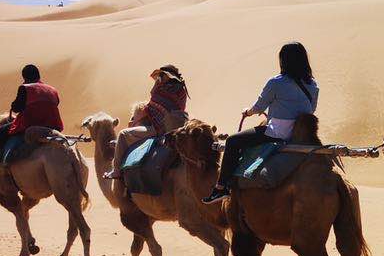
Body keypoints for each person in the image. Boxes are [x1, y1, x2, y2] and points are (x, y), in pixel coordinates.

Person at [203, 43, 318, 202]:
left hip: (277, 133)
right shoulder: (313, 85)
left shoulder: (276, 82)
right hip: (299, 134)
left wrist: (248, 112)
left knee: (233, 141)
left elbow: (259, 107)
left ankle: (221, 188)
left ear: (283, 61)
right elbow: (311, 109)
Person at [0, 64, 63, 170]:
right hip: (53, 126)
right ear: (38, 76)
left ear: (24, 77)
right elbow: (56, 103)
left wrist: (14, 104)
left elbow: (16, 108)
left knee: (0, 131)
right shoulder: (52, 89)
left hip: (30, 125)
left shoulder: (25, 88)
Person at [104, 65, 189, 180]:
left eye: (161, 76)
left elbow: (152, 100)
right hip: (178, 126)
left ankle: (117, 170)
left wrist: (157, 83)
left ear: (167, 76)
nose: (159, 78)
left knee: (123, 134)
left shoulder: (162, 89)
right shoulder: (181, 90)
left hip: (159, 128)